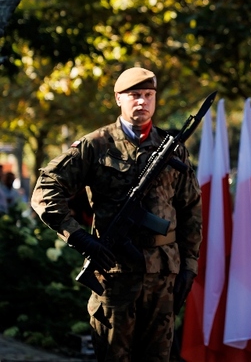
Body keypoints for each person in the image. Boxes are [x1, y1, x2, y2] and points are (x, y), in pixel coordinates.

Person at [31, 67, 202, 362]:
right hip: (114, 275)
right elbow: (46, 189)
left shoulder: (173, 150)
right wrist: (80, 238)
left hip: (162, 277)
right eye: (134, 95)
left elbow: (190, 210)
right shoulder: (95, 145)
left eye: (148, 95)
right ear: (118, 99)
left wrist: (188, 265)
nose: (142, 102)